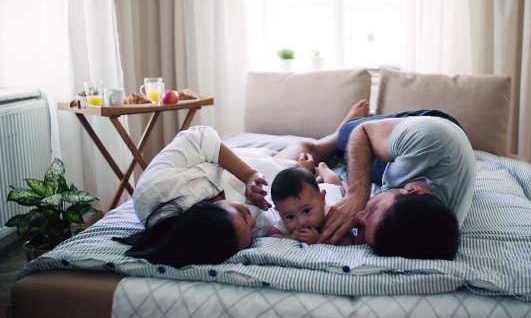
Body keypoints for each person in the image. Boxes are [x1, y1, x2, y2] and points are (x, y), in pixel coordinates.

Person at [113, 100, 370, 267]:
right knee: (302, 159)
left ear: (203, 208)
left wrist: (248, 175)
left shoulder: (155, 192)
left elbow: (198, 137)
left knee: (305, 147)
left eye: (239, 213)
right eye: (250, 234)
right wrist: (296, 177)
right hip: (274, 181)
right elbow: (272, 221)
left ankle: (338, 134)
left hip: (243, 166)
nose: (252, 221)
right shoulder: (220, 239)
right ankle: (314, 157)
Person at [317, 110, 477, 260]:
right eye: (371, 211)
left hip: (422, 163)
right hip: (433, 129)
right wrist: (356, 194)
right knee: (347, 135)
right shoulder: (429, 139)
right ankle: (329, 139)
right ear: (413, 190)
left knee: (358, 165)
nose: (358, 216)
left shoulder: (436, 231)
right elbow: (363, 132)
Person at [267, 163, 354, 246]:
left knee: (336, 184)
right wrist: (291, 237)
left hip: (333, 190)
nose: (301, 222)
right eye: (290, 217)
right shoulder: (288, 212)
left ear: (322, 200)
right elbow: (270, 236)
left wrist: (319, 238)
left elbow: (349, 240)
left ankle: (323, 169)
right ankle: (318, 180)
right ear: (279, 212)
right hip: (311, 195)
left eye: (306, 211)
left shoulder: (331, 213)